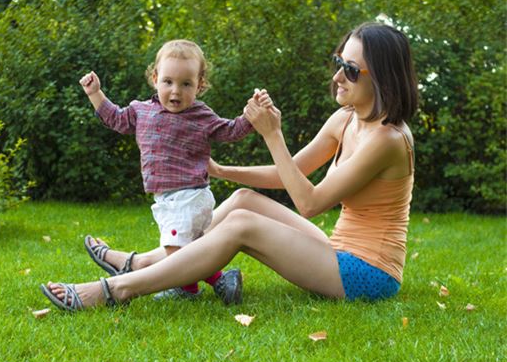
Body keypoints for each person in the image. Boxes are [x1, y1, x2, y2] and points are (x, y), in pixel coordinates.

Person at [40, 21, 418, 311]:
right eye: (339, 63)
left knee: (241, 225)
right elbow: (290, 175)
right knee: (241, 200)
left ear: (383, 78)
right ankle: (139, 262)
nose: (337, 76)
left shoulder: (386, 140)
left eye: (351, 70)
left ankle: (116, 289)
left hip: (368, 275)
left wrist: (273, 134)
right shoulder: (347, 119)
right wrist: (222, 171)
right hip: (337, 250)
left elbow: (310, 202)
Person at [77, 39, 255, 303]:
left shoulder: (200, 114)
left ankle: (214, 281)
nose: (176, 91)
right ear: (155, 78)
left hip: (188, 196)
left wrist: (250, 117)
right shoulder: (141, 111)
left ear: (200, 85)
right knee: (189, 248)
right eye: (168, 82)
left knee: (175, 251)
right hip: (172, 198)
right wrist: (95, 94)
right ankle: (191, 287)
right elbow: (115, 118)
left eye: (186, 84)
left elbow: (229, 130)